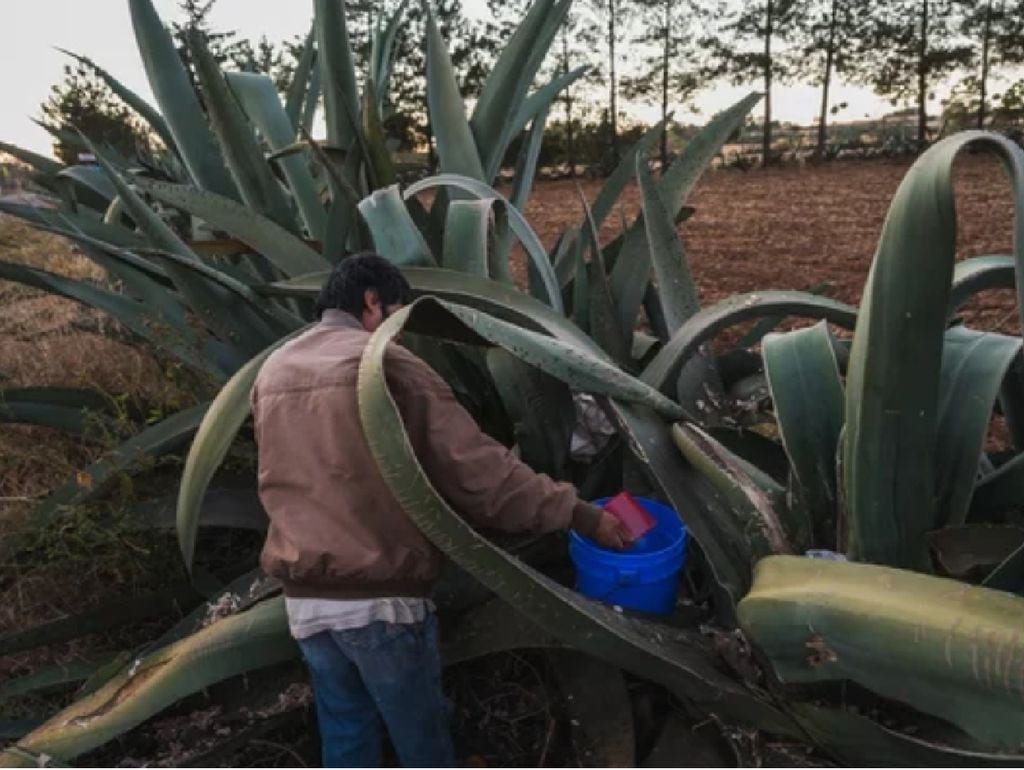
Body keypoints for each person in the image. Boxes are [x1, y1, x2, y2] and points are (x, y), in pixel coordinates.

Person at [251, 253, 631, 768]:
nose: (400, 334)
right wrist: (582, 514)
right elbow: (481, 478)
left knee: (346, 735)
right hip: (380, 600)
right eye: (399, 315)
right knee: (423, 744)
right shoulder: (381, 363)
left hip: (306, 603)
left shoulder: (274, 369)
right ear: (372, 302)